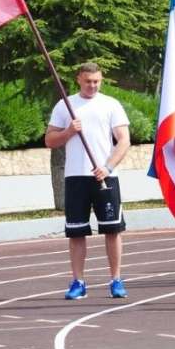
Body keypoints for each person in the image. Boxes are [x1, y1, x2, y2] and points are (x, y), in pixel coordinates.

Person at [46, 62, 131, 300]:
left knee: (113, 230)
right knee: (76, 232)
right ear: (78, 80)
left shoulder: (110, 104)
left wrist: (108, 166)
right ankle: (78, 282)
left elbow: (124, 140)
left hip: (105, 177)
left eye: (97, 81)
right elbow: (50, 140)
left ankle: (116, 280)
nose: (92, 85)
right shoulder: (65, 105)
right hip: (76, 177)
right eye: (88, 81)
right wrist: (68, 132)